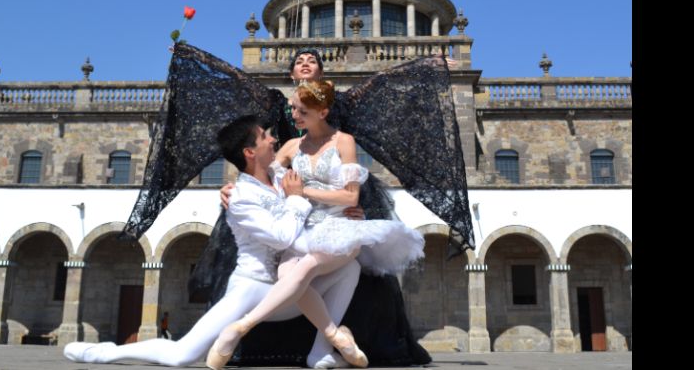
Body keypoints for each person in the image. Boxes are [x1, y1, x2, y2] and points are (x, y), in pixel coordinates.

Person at [121, 42, 476, 366]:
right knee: (278, 268)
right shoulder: (275, 107)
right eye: (299, 61)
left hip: (335, 202)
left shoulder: (343, 115)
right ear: (291, 74)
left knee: (360, 279)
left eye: (313, 61)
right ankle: (303, 341)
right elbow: (249, 138)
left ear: (322, 82)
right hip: (284, 198)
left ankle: (325, 342)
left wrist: (430, 67)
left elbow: (382, 87)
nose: (306, 63)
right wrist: (234, 186)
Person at [64, 116, 361, 367]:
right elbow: (282, 237)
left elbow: (323, 194)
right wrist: (297, 199)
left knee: (350, 267)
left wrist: (349, 211)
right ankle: (105, 353)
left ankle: (321, 350)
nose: (273, 140)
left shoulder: (283, 175)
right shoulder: (241, 198)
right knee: (183, 355)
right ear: (249, 152)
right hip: (253, 288)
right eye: (265, 137)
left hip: (291, 290)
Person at [206, 81, 425, 370]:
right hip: (304, 230)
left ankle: (241, 327)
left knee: (306, 268)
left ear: (322, 112)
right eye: (293, 108)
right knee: (286, 271)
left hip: (340, 227)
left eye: (300, 110)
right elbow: (257, 172)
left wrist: (302, 192)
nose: (293, 114)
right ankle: (331, 339)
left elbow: (350, 195)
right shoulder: (291, 147)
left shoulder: (343, 141)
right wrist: (232, 186)